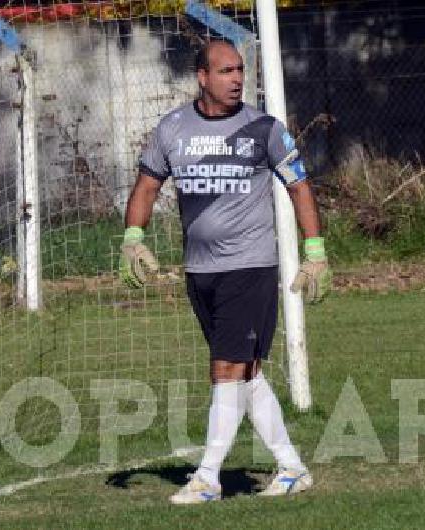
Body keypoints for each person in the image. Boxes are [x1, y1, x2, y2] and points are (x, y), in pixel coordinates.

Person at [118, 38, 332, 503]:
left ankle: (207, 478)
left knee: (225, 368)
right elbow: (146, 185)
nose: (237, 80)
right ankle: (292, 468)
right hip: (200, 271)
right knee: (246, 372)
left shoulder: (264, 129)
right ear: (202, 76)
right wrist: (133, 239)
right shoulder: (172, 128)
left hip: (250, 267)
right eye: (226, 71)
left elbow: (299, 187)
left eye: (240, 71)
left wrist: (315, 250)